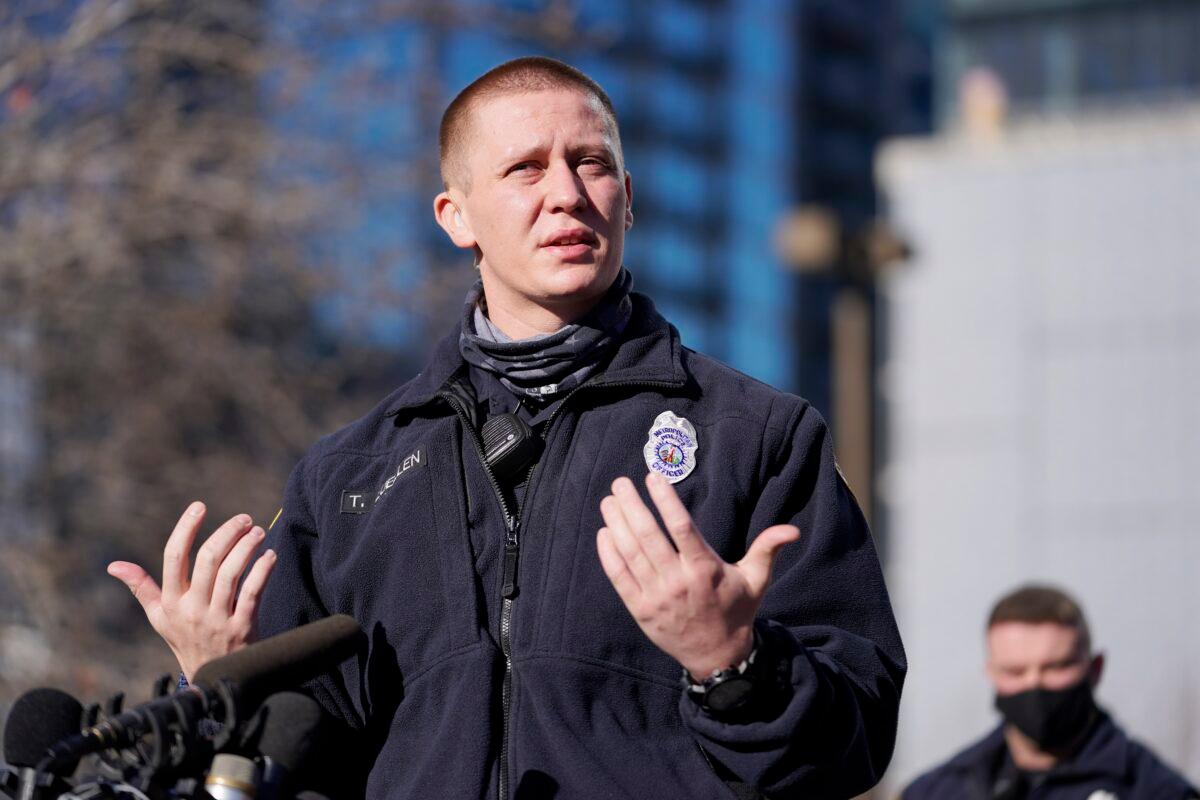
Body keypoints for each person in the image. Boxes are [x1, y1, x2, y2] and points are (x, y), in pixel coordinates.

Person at [108, 56, 905, 799]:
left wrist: (732, 666)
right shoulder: (346, 474)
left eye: (589, 163)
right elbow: (302, 764)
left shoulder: (756, 435)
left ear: (629, 196)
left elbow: (856, 737)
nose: (565, 193)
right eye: (525, 168)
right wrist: (218, 680)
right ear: (457, 217)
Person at [902, 584, 1198, 800]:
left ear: (1094, 669)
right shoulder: (938, 790)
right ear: (991, 674)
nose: (1035, 685)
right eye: (1016, 671)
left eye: (1055, 667)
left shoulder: (1154, 790)